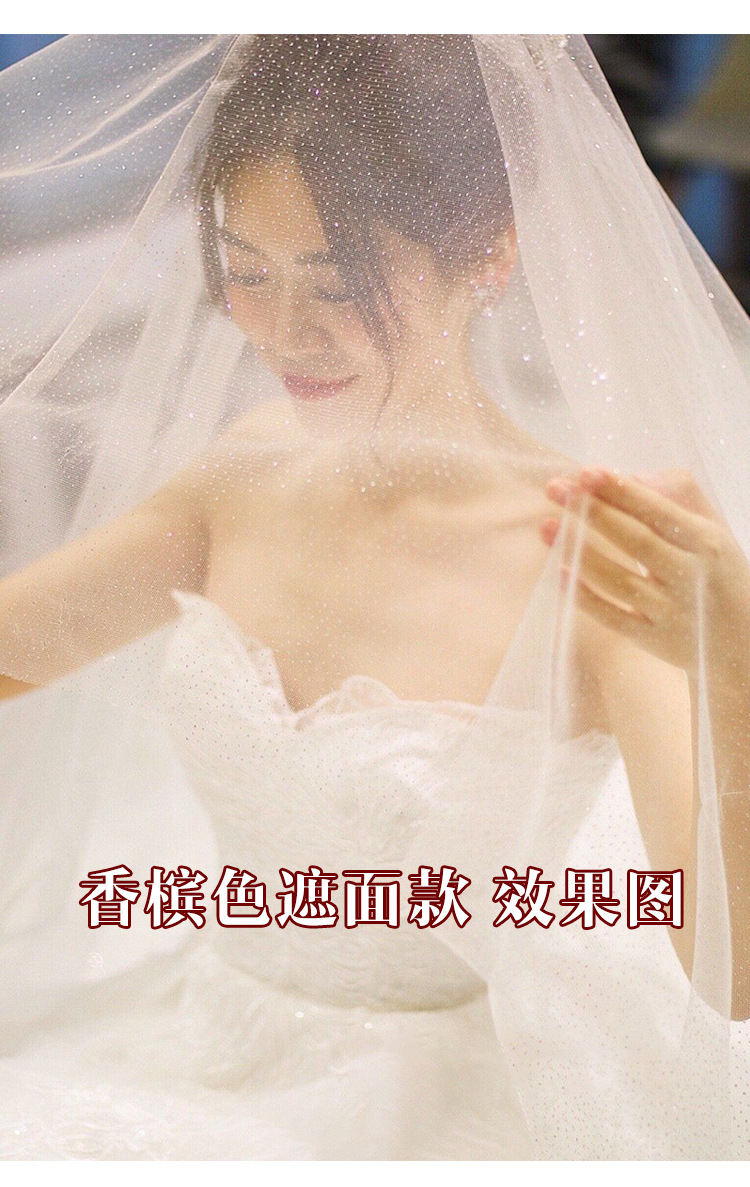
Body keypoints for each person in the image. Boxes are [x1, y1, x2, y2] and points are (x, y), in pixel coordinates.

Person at [0, 34, 749, 1160]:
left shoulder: (587, 559)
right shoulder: (245, 478)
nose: (282, 332)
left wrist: (730, 653)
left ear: (490, 253)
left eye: (340, 283)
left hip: (421, 1104)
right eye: (246, 271)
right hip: (193, 1038)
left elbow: (730, 971)